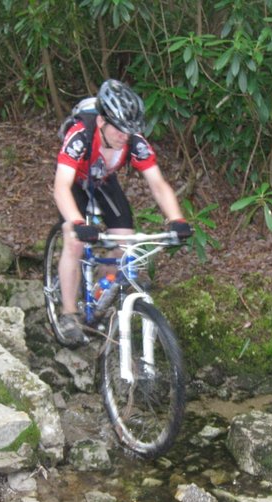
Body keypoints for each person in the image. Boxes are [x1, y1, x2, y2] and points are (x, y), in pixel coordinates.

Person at [53, 79, 192, 346]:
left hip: (104, 181)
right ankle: (69, 313)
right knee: (73, 241)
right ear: (103, 122)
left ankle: (100, 292)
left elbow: (158, 185)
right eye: (120, 130)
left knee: (125, 242)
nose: (125, 137)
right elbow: (61, 187)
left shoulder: (134, 141)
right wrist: (77, 223)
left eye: (130, 131)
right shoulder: (81, 135)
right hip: (75, 183)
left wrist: (177, 220)